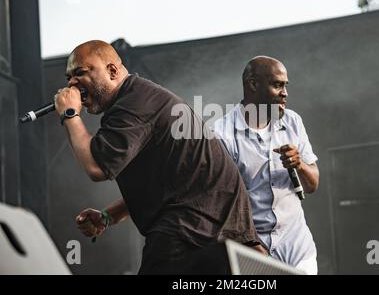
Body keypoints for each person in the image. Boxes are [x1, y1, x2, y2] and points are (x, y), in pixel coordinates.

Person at [54, 40, 265, 274]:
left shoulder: (132, 104)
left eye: (80, 72)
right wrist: (108, 216)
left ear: (112, 70)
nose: (72, 82)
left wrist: (69, 114)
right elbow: (170, 182)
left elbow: (96, 167)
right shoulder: (141, 98)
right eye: (68, 77)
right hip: (227, 237)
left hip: (192, 233)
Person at [212, 56, 320, 274]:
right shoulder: (221, 134)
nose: (285, 93)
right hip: (255, 252)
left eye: (285, 86)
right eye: (277, 85)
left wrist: (300, 164)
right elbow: (221, 206)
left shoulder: (292, 122)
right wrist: (250, 244)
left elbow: (312, 184)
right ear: (252, 85)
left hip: (298, 247)